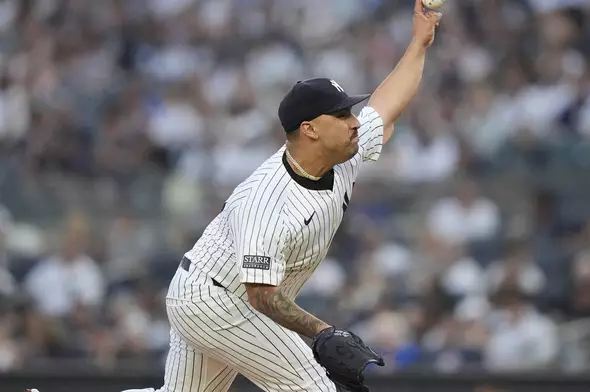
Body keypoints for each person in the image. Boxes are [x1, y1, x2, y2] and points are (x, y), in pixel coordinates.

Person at [123, 1, 441, 391]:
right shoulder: (267, 201)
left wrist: (418, 43)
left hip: (211, 292)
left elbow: (386, 106)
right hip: (221, 299)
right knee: (314, 388)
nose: (355, 122)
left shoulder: (343, 155)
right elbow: (261, 296)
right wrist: (323, 332)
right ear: (309, 130)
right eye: (342, 115)